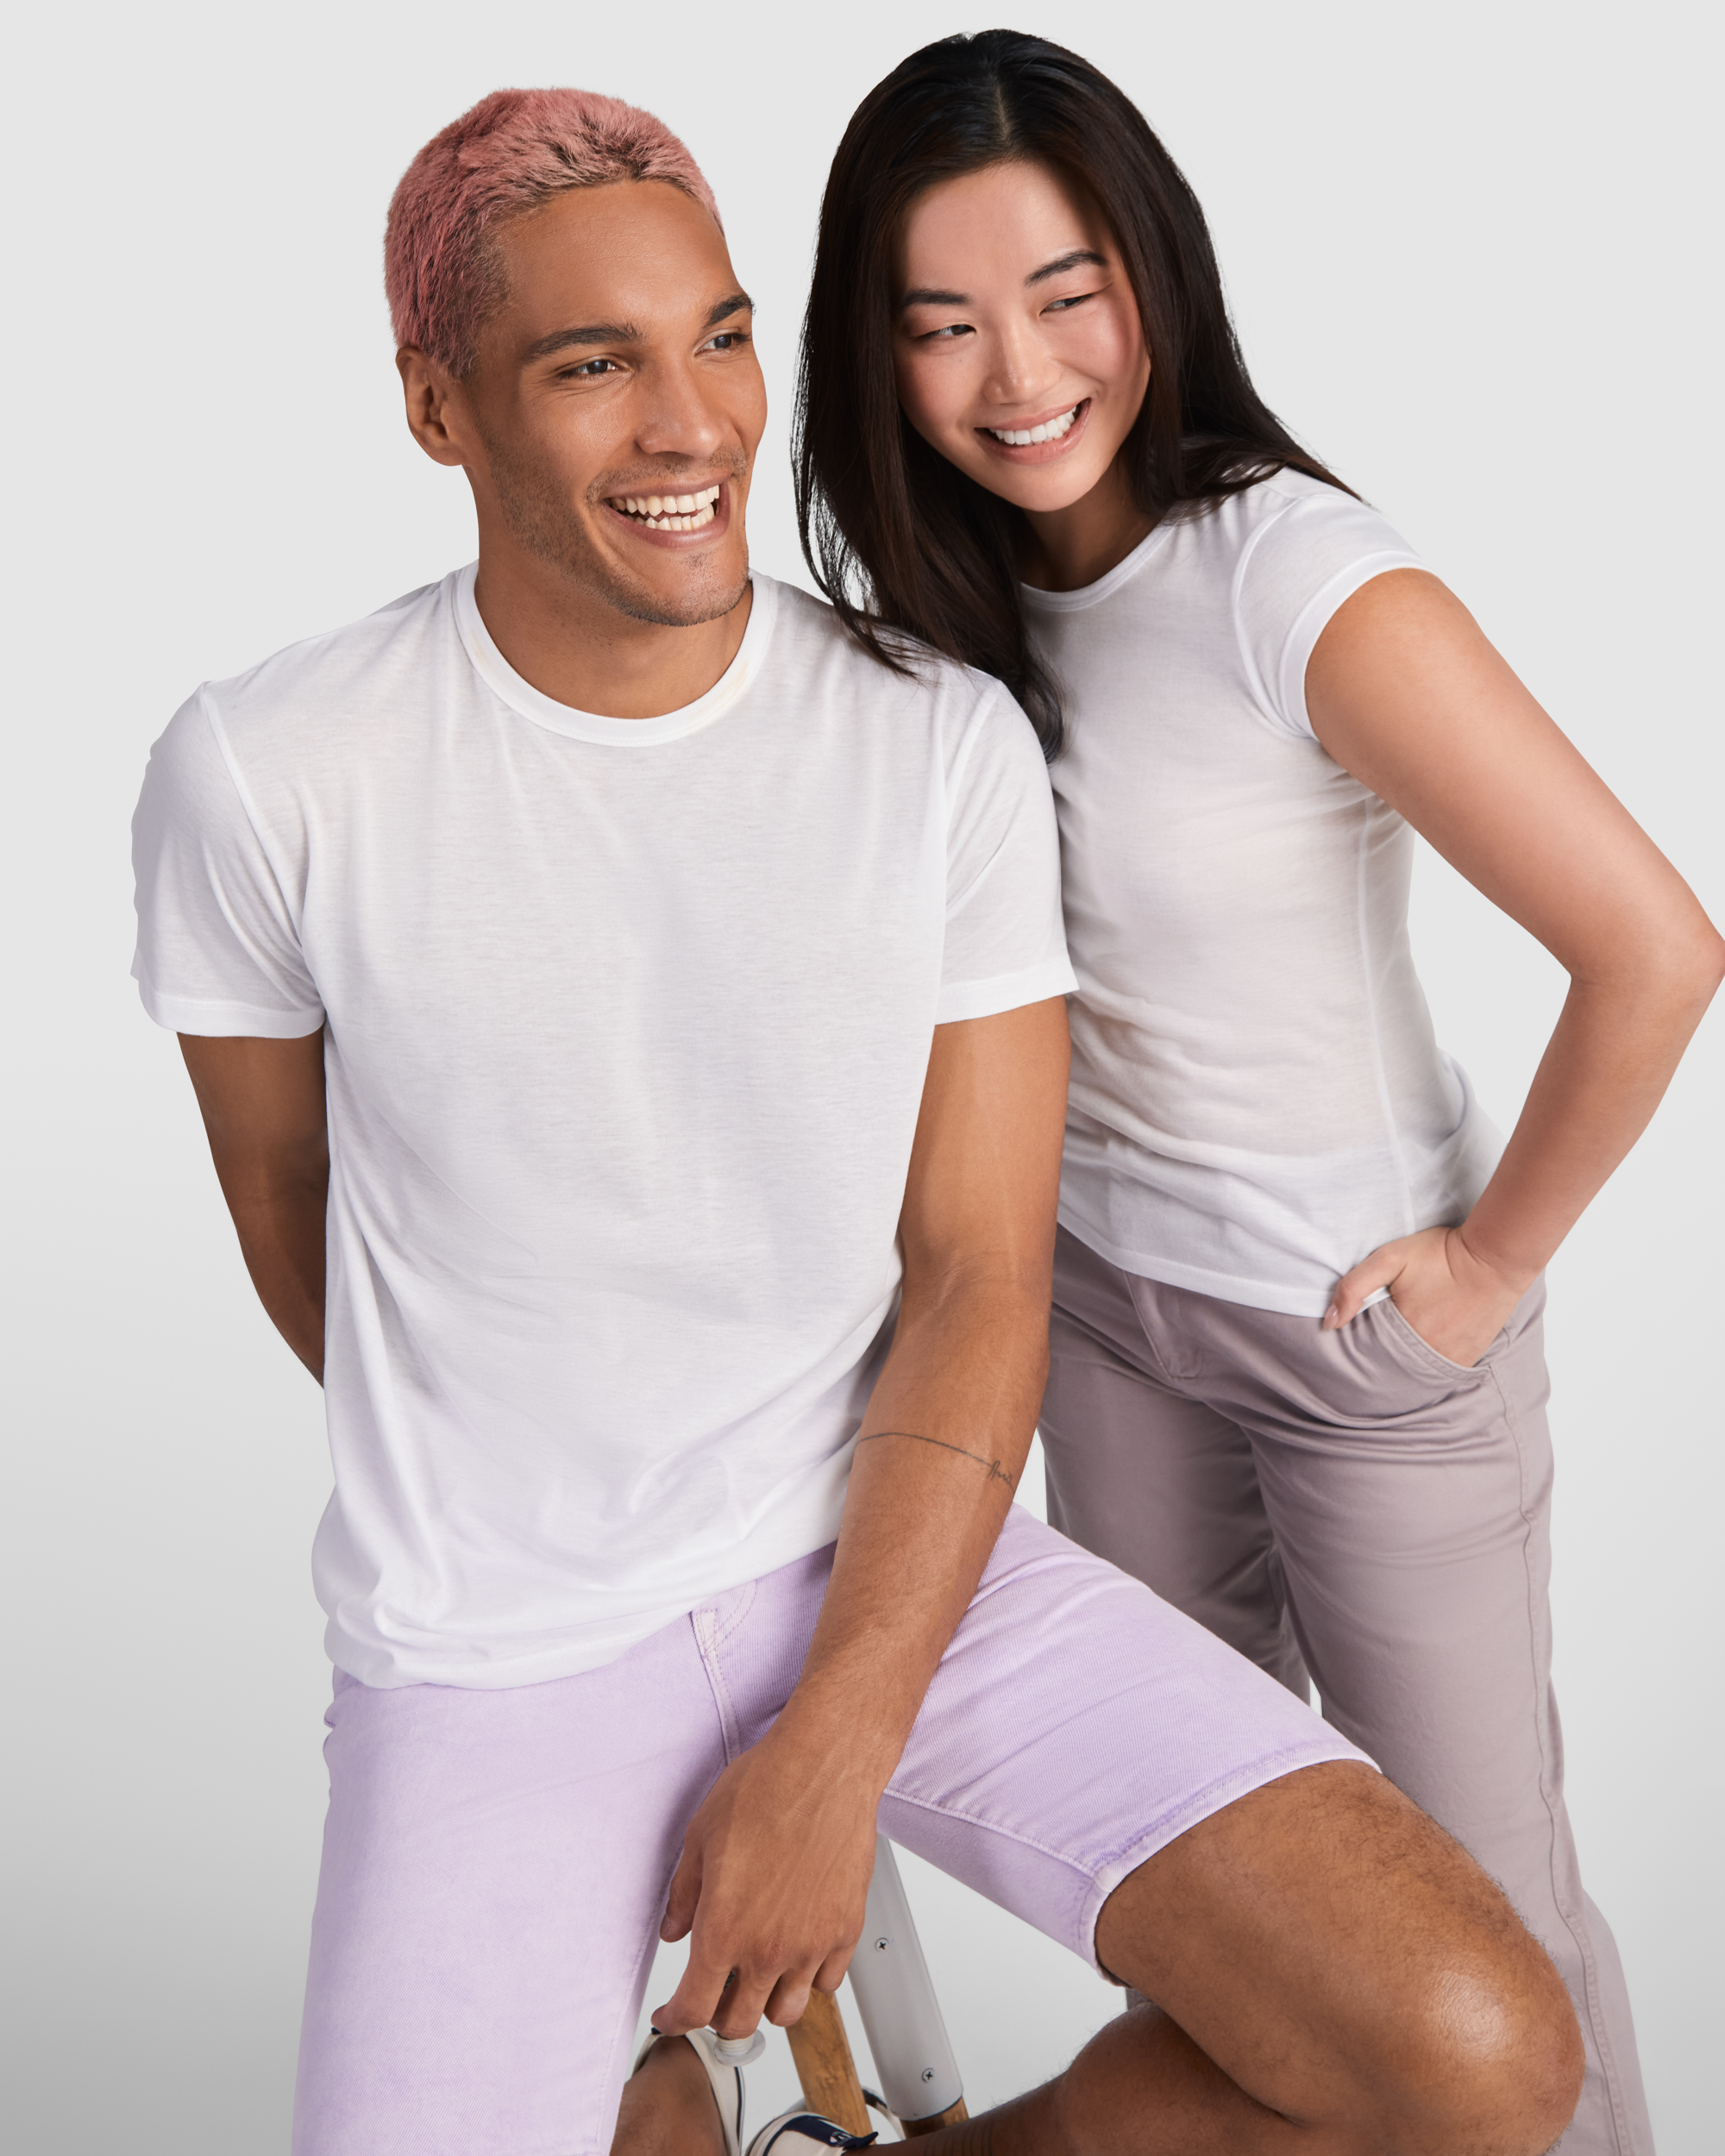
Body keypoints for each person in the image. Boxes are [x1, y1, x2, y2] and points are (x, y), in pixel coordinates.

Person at [133, 85, 1585, 2156]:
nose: (692, 423)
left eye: (721, 337)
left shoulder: (935, 743)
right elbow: (290, 1203)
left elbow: (979, 1269)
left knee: (1470, 2050)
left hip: (903, 1558)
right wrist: (521, 1458)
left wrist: (830, 1743)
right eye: (593, 364)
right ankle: (655, 2089)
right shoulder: (267, 771)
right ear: (439, 409)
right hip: (492, 1638)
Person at [796, 30, 1725, 2156]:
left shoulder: (1291, 577)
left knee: (1488, 1957)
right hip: (1110, 1321)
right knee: (1220, 1932)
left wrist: (1484, 1269)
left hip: (1359, 1341)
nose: (1017, 372)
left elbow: (1656, 947)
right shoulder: (950, 615)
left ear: (1154, 273)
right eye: (941, 322)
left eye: (1066, 292)